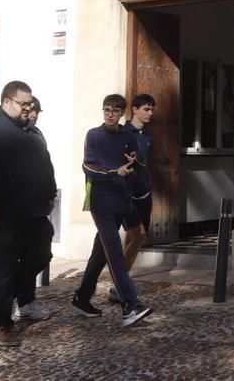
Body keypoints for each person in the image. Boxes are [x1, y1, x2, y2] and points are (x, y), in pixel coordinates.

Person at [0, 81, 58, 346]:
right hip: (3, 214)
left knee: (41, 255)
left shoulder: (32, 132)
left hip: (35, 212)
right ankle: (0, 325)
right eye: (24, 104)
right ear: (7, 102)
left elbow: (45, 164)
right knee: (4, 268)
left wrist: (50, 194)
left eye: (30, 104)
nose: (29, 108)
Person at [71, 94, 152, 327]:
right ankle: (130, 306)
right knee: (114, 252)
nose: (110, 114)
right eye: (106, 110)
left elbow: (138, 164)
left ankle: (81, 298)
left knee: (103, 251)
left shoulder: (128, 134)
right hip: (102, 203)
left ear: (122, 114)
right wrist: (114, 172)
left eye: (115, 111)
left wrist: (134, 162)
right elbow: (88, 167)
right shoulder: (93, 135)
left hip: (124, 200)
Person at [109, 93, 155, 303]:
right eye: (146, 109)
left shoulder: (147, 135)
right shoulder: (122, 132)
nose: (150, 114)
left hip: (144, 193)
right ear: (134, 109)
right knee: (139, 236)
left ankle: (120, 284)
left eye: (152, 110)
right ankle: (119, 284)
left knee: (132, 238)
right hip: (128, 194)